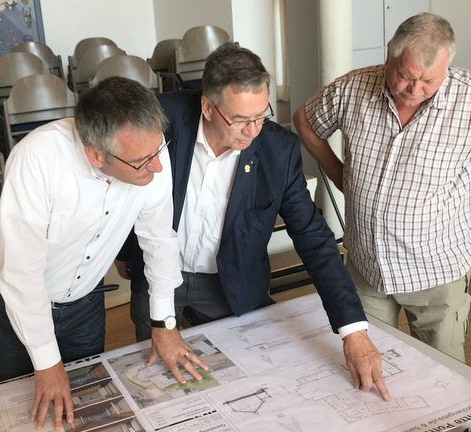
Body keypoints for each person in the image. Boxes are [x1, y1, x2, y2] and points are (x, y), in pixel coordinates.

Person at [115, 42, 391, 401]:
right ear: (208, 107)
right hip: (156, 274)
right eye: (241, 119)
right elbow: (124, 183)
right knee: (152, 375)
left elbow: (313, 238)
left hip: (230, 283)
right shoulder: (161, 120)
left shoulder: (279, 150)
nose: (253, 130)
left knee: (236, 383)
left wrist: (352, 331)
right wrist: (124, 252)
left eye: (262, 115)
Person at [0, 77, 195, 431]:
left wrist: (164, 323)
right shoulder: (36, 160)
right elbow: (22, 275)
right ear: (96, 155)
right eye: (143, 162)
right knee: (23, 412)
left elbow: (159, 239)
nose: (158, 168)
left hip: (84, 304)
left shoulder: (149, 150)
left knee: (88, 408)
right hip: (17, 304)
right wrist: (48, 364)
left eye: (160, 151)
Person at [293, 13, 471, 362]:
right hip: (366, 268)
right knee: (369, 364)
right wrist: (339, 173)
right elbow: (305, 119)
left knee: (443, 376)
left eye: (428, 81)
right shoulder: (352, 88)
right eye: (405, 76)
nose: (414, 90)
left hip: (435, 274)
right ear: (390, 51)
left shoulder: (467, 102)